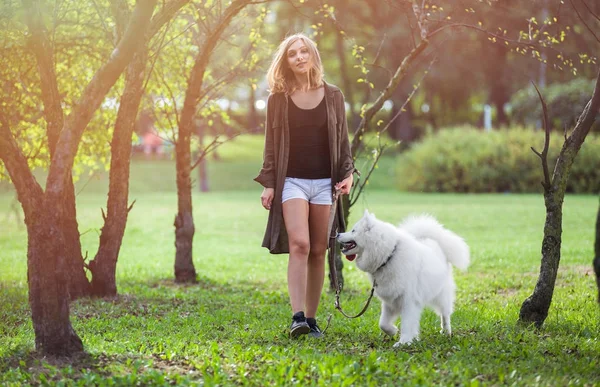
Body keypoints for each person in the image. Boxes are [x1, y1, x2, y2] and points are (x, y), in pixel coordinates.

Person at [254, 33, 354, 338]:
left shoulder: (334, 95)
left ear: (312, 55)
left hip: (326, 183)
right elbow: (271, 147)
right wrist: (269, 183)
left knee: (319, 250)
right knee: (300, 244)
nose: (299, 57)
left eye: (303, 51)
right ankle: (296, 317)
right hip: (293, 182)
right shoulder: (278, 101)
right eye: (292, 53)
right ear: (286, 61)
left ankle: (311, 321)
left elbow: (343, 141)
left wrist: (348, 173)